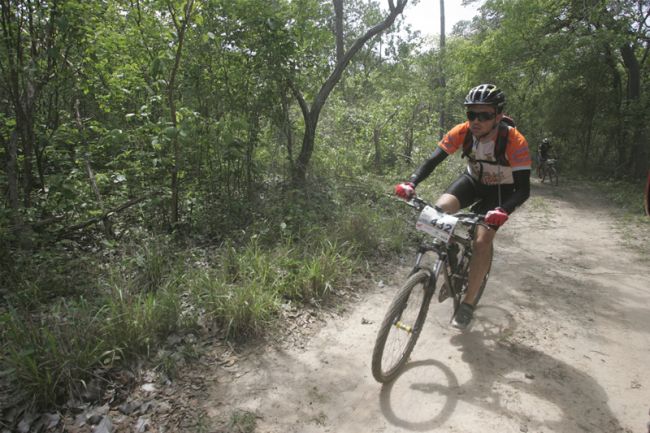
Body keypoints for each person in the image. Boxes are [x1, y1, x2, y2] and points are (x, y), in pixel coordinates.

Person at [394, 83, 531, 330]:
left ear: (498, 115)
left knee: (482, 241)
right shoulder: (463, 132)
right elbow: (432, 160)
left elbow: (524, 189)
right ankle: (452, 252)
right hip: (472, 182)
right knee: (437, 211)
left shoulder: (514, 141)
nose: (476, 121)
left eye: (485, 115)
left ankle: (467, 305)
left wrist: (504, 210)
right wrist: (411, 182)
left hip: (501, 192)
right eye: (471, 114)